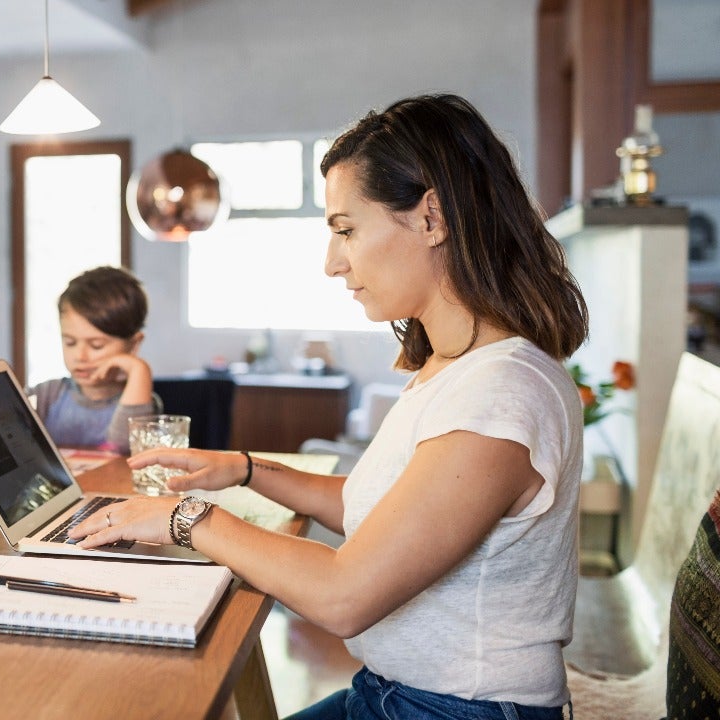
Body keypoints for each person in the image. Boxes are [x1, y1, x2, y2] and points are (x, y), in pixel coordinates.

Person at [71, 94, 589, 719]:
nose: (331, 262)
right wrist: (246, 468)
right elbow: (377, 510)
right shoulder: (454, 367)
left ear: (432, 218)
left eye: (346, 229)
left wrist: (188, 518)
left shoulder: (501, 392)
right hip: (396, 695)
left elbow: (346, 595)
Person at [27, 266, 160, 454]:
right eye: (70, 342)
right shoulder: (48, 394)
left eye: (96, 345)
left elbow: (120, 448)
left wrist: (140, 369)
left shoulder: (140, 402)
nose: (80, 356)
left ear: (134, 344)